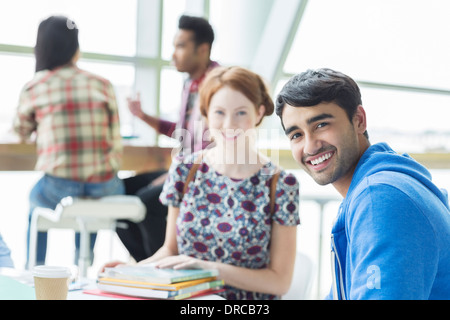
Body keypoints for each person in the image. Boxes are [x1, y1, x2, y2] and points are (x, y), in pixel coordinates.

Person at [103, 66, 301, 300]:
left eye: (240, 112)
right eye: (219, 112)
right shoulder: (186, 169)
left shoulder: (280, 183)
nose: (229, 123)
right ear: (206, 114)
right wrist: (132, 272)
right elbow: (170, 250)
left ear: (258, 113)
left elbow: (279, 281)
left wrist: (209, 268)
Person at [275, 68, 450, 300]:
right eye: (296, 135)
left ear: (358, 120)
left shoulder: (380, 200)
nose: (310, 147)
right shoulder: (377, 187)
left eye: (321, 125)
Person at [13, 15, 124, 267]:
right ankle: (82, 261)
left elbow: (20, 130)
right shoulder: (103, 84)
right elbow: (115, 136)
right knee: (89, 200)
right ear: (75, 47)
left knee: (35, 202)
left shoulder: (35, 86)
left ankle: (35, 268)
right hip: (104, 186)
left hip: (59, 187)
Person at [117, 15, 219, 262]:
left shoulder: (218, 83)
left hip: (206, 174)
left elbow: (212, 147)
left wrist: (172, 174)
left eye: (180, 46)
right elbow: (183, 132)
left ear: (202, 49)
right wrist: (142, 116)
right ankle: (145, 265)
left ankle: (161, 268)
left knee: (146, 203)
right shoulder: (190, 84)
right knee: (121, 192)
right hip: (184, 167)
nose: (173, 54)